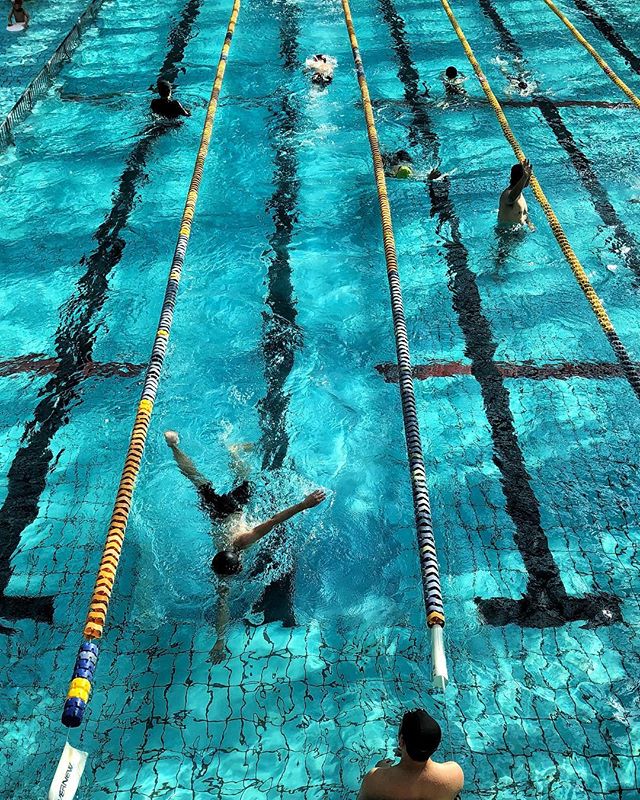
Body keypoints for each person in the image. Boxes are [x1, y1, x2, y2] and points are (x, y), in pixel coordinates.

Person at [164, 430, 326, 658]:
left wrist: (305, 503)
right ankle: (173, 446)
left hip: (232, 508)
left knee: (245, 479)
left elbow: (274, 519)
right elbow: (222, 605)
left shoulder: (243, 541)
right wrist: (219, 643)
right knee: (196, 479)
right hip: (216, 513)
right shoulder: (221, 560)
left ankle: (233, 451)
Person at [358, 709, 464, 800]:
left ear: (401, 740)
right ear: (436, 745)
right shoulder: (455, 774)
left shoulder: (375, 780)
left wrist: (381, 768)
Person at [498, 159, 534, 229]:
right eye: (529, 176)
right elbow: (511, 198)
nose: (530, 179)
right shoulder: (507, 194)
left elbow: (524, 214)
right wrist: (525, 177)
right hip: (507, 235)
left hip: (519, 231)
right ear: (522, 178)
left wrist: (529, 224)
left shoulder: (520, 194)